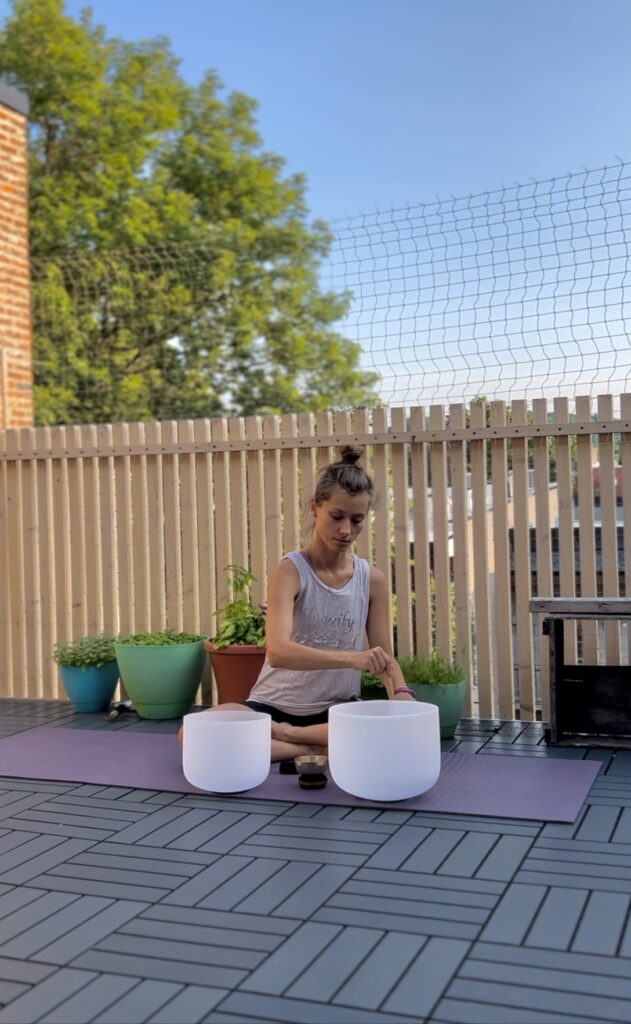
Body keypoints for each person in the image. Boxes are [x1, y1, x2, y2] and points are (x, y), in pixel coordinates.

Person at [193, 445, 416, 761]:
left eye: (357, 520)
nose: (345, 530)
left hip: (336, 715)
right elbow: (279, 652)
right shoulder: (291, 571)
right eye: (336, 516)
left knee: (386, 732)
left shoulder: (372, 579)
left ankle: (290, 739)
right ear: (315, 508)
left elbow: (383, 659)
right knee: (192, 735)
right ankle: (308, 750)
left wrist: (403, 694)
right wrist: (352, 659)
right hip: (272, 706)